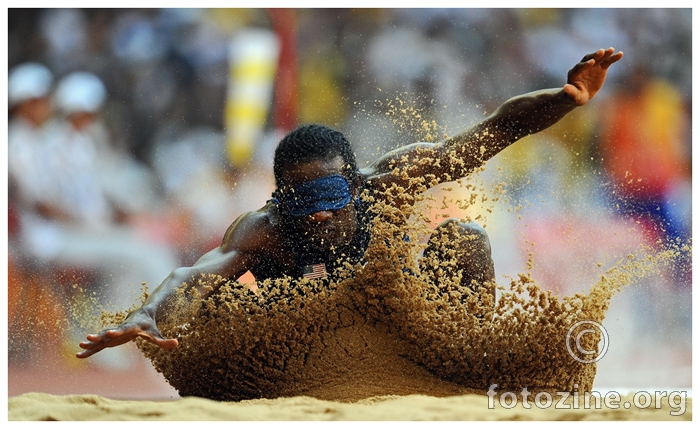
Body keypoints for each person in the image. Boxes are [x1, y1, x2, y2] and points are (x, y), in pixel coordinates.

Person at [77, 47, 623, 359]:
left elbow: (490, 134)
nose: (317, 212)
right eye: (300, 199)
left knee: (465, 239)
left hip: (401, 326)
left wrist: (563, 99)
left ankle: (473, 363)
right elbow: (192, 275)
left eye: (330, 195)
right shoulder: (266, 228)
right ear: (279, 199)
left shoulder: (390, 181)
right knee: (217, 304)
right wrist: (147, 315)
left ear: (356, 184)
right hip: (314, 345)